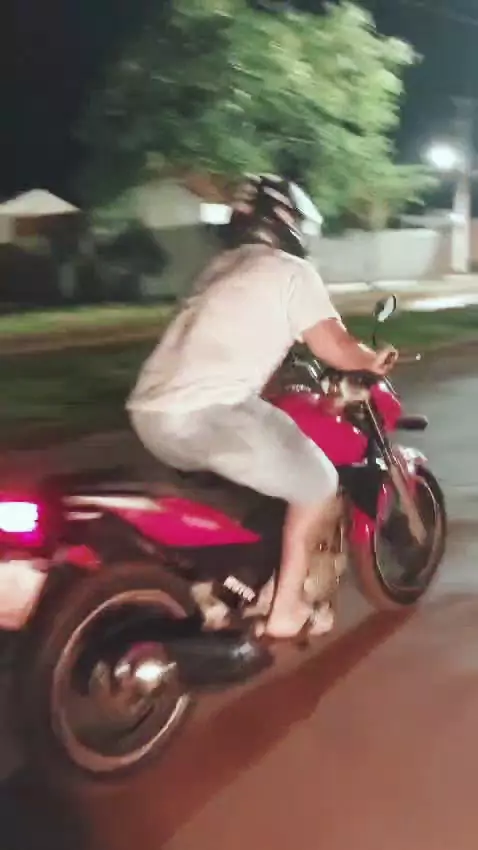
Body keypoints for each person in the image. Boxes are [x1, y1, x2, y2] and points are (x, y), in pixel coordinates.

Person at [127, 174, 397, 641]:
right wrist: (372, 360)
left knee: (271, 445)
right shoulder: (291, 271)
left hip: (149, 413)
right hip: (207, 414)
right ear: (285, 220)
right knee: (318, 483)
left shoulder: (219, 268)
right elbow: (334, 346)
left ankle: (232, 581)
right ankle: (285, 608)